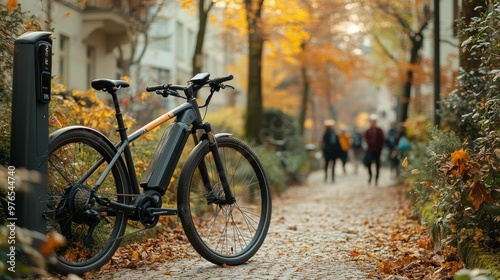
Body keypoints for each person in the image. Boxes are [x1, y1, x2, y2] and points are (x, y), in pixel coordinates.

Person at [363, 114, 385, 185]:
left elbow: (382, 140)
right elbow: (365, 139)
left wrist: (379, 146)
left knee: (377, 164)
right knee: (369, 163)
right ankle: (370, 175)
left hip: (377, 150)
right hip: (370, 149)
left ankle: (376, 178)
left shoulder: (379, 130)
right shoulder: (368, 131)